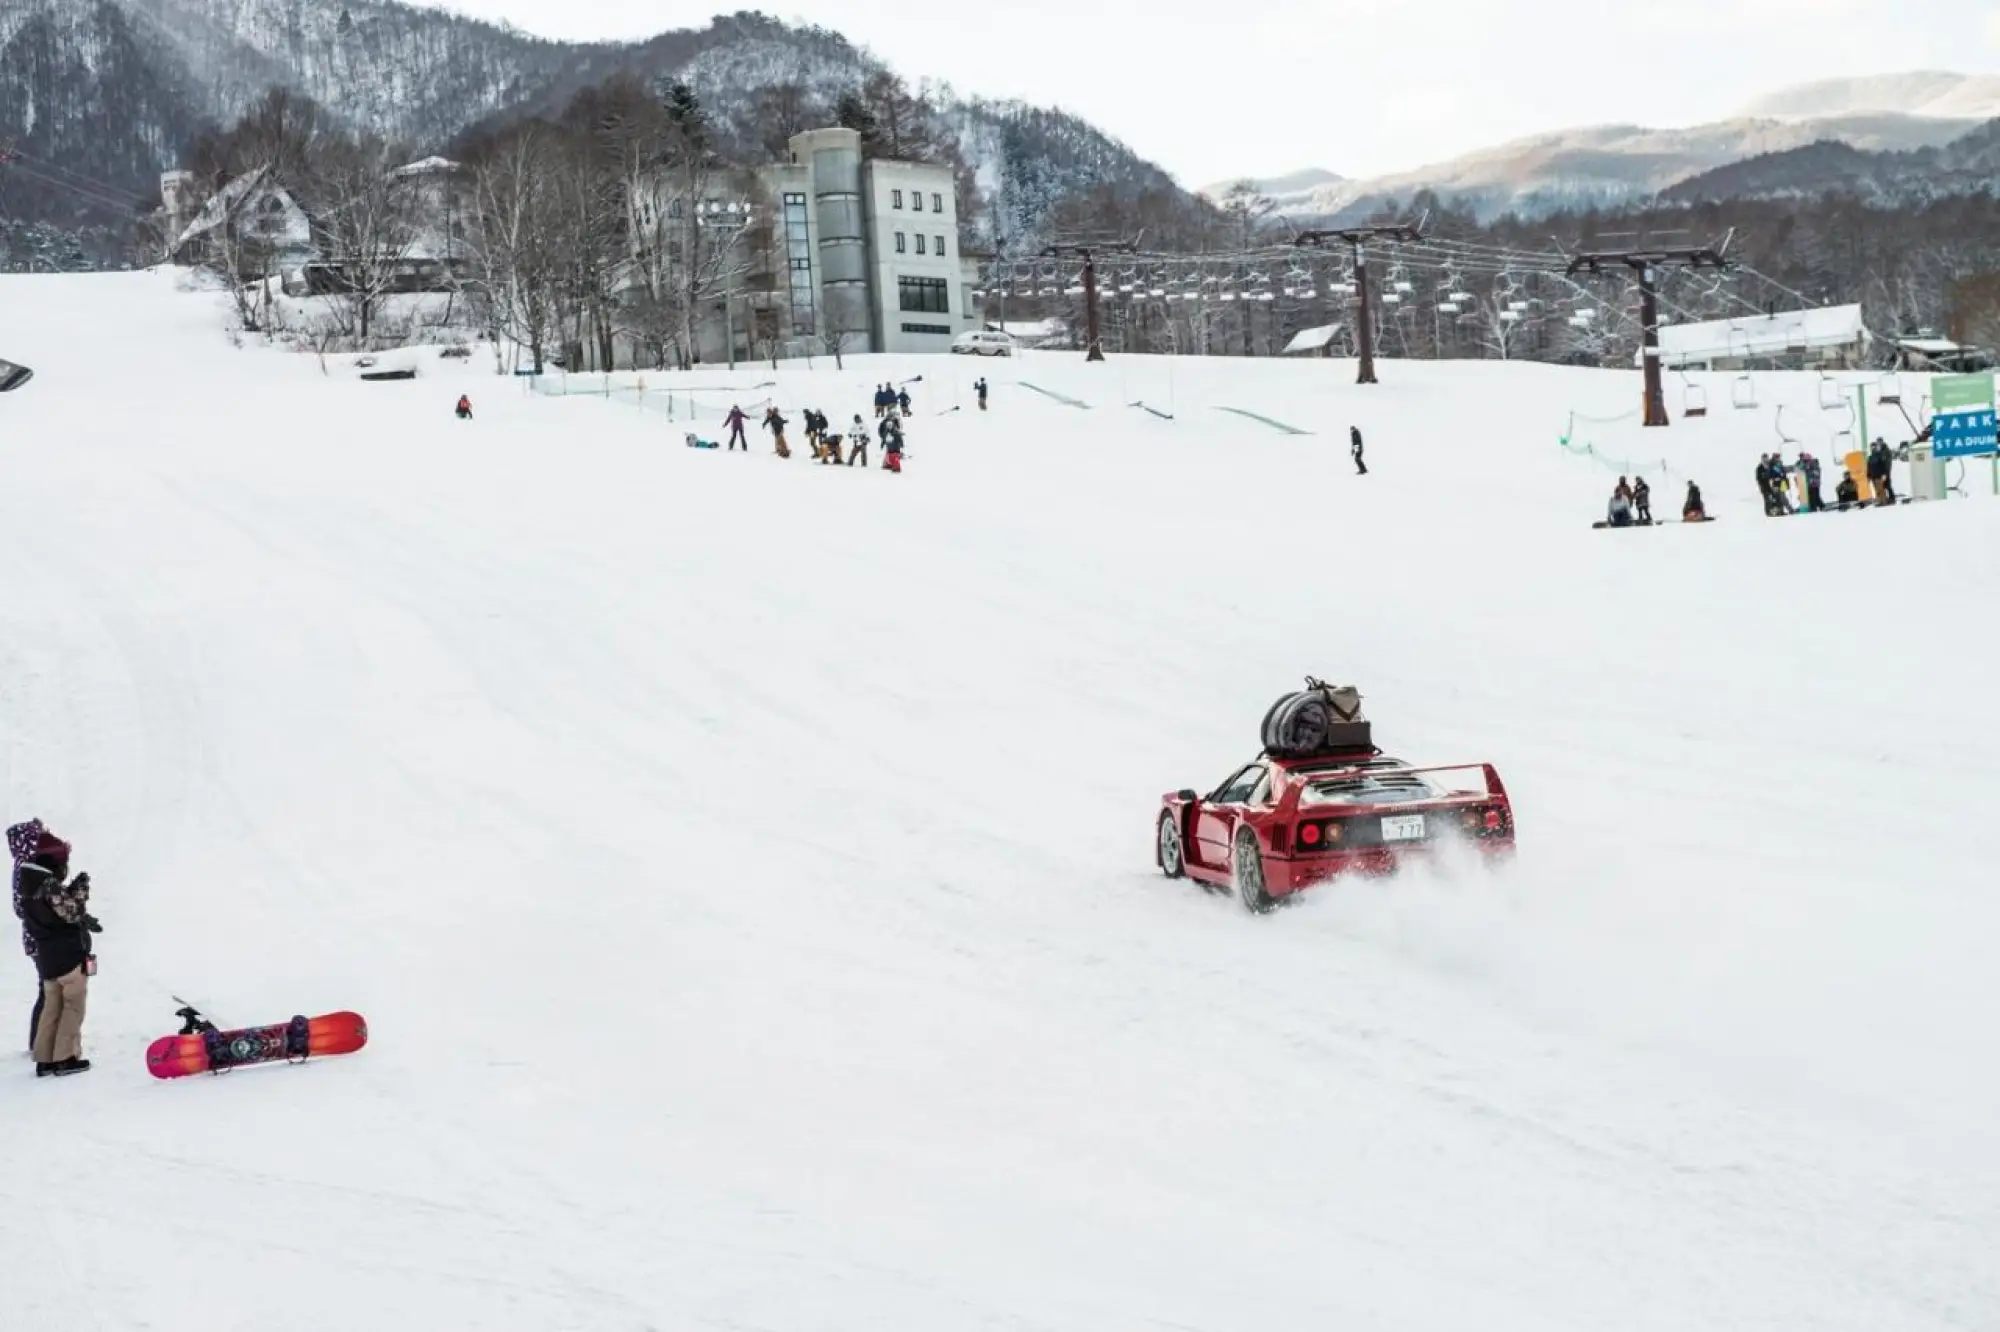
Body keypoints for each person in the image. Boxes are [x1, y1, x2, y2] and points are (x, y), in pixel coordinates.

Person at [9, 822, 98, 1076]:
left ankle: (45, 1058)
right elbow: (69, 913)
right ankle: (65, 1057)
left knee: (51, 1005)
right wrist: (80, 892)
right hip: (67, 956)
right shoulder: (48, 884)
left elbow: (54, 909)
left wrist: (70, 892)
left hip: (47, 956)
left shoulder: (28, 882)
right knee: (73, 1006)